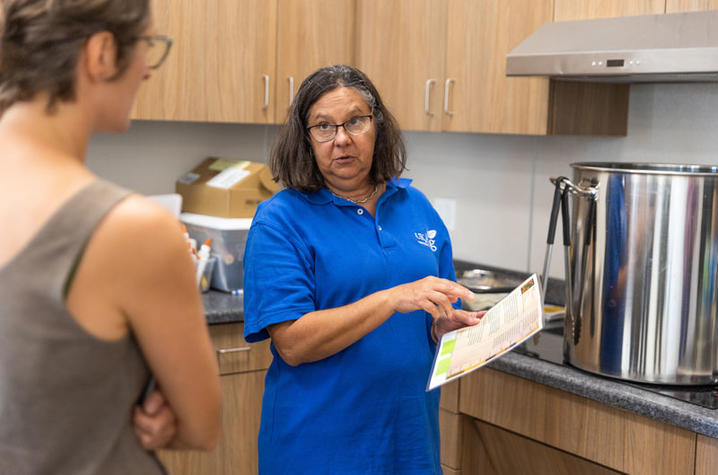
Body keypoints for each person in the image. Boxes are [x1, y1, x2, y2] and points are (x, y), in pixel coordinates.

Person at [0, 1, 221, 474]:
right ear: (101, 53)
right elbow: (201, 425)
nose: (145, 70)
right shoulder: (129, 229)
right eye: (147, 48)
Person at [243, 64, 484, 474]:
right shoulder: (280, 221)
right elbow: (294, 344)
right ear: (306, 139)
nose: (341, 139)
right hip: (320, 451)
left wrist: (441, 329)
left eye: (355, 121)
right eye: (323, 126)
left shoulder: (417, 207)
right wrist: (392, 299)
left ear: (378, 126)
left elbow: (430, 314)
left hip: (410, 444)